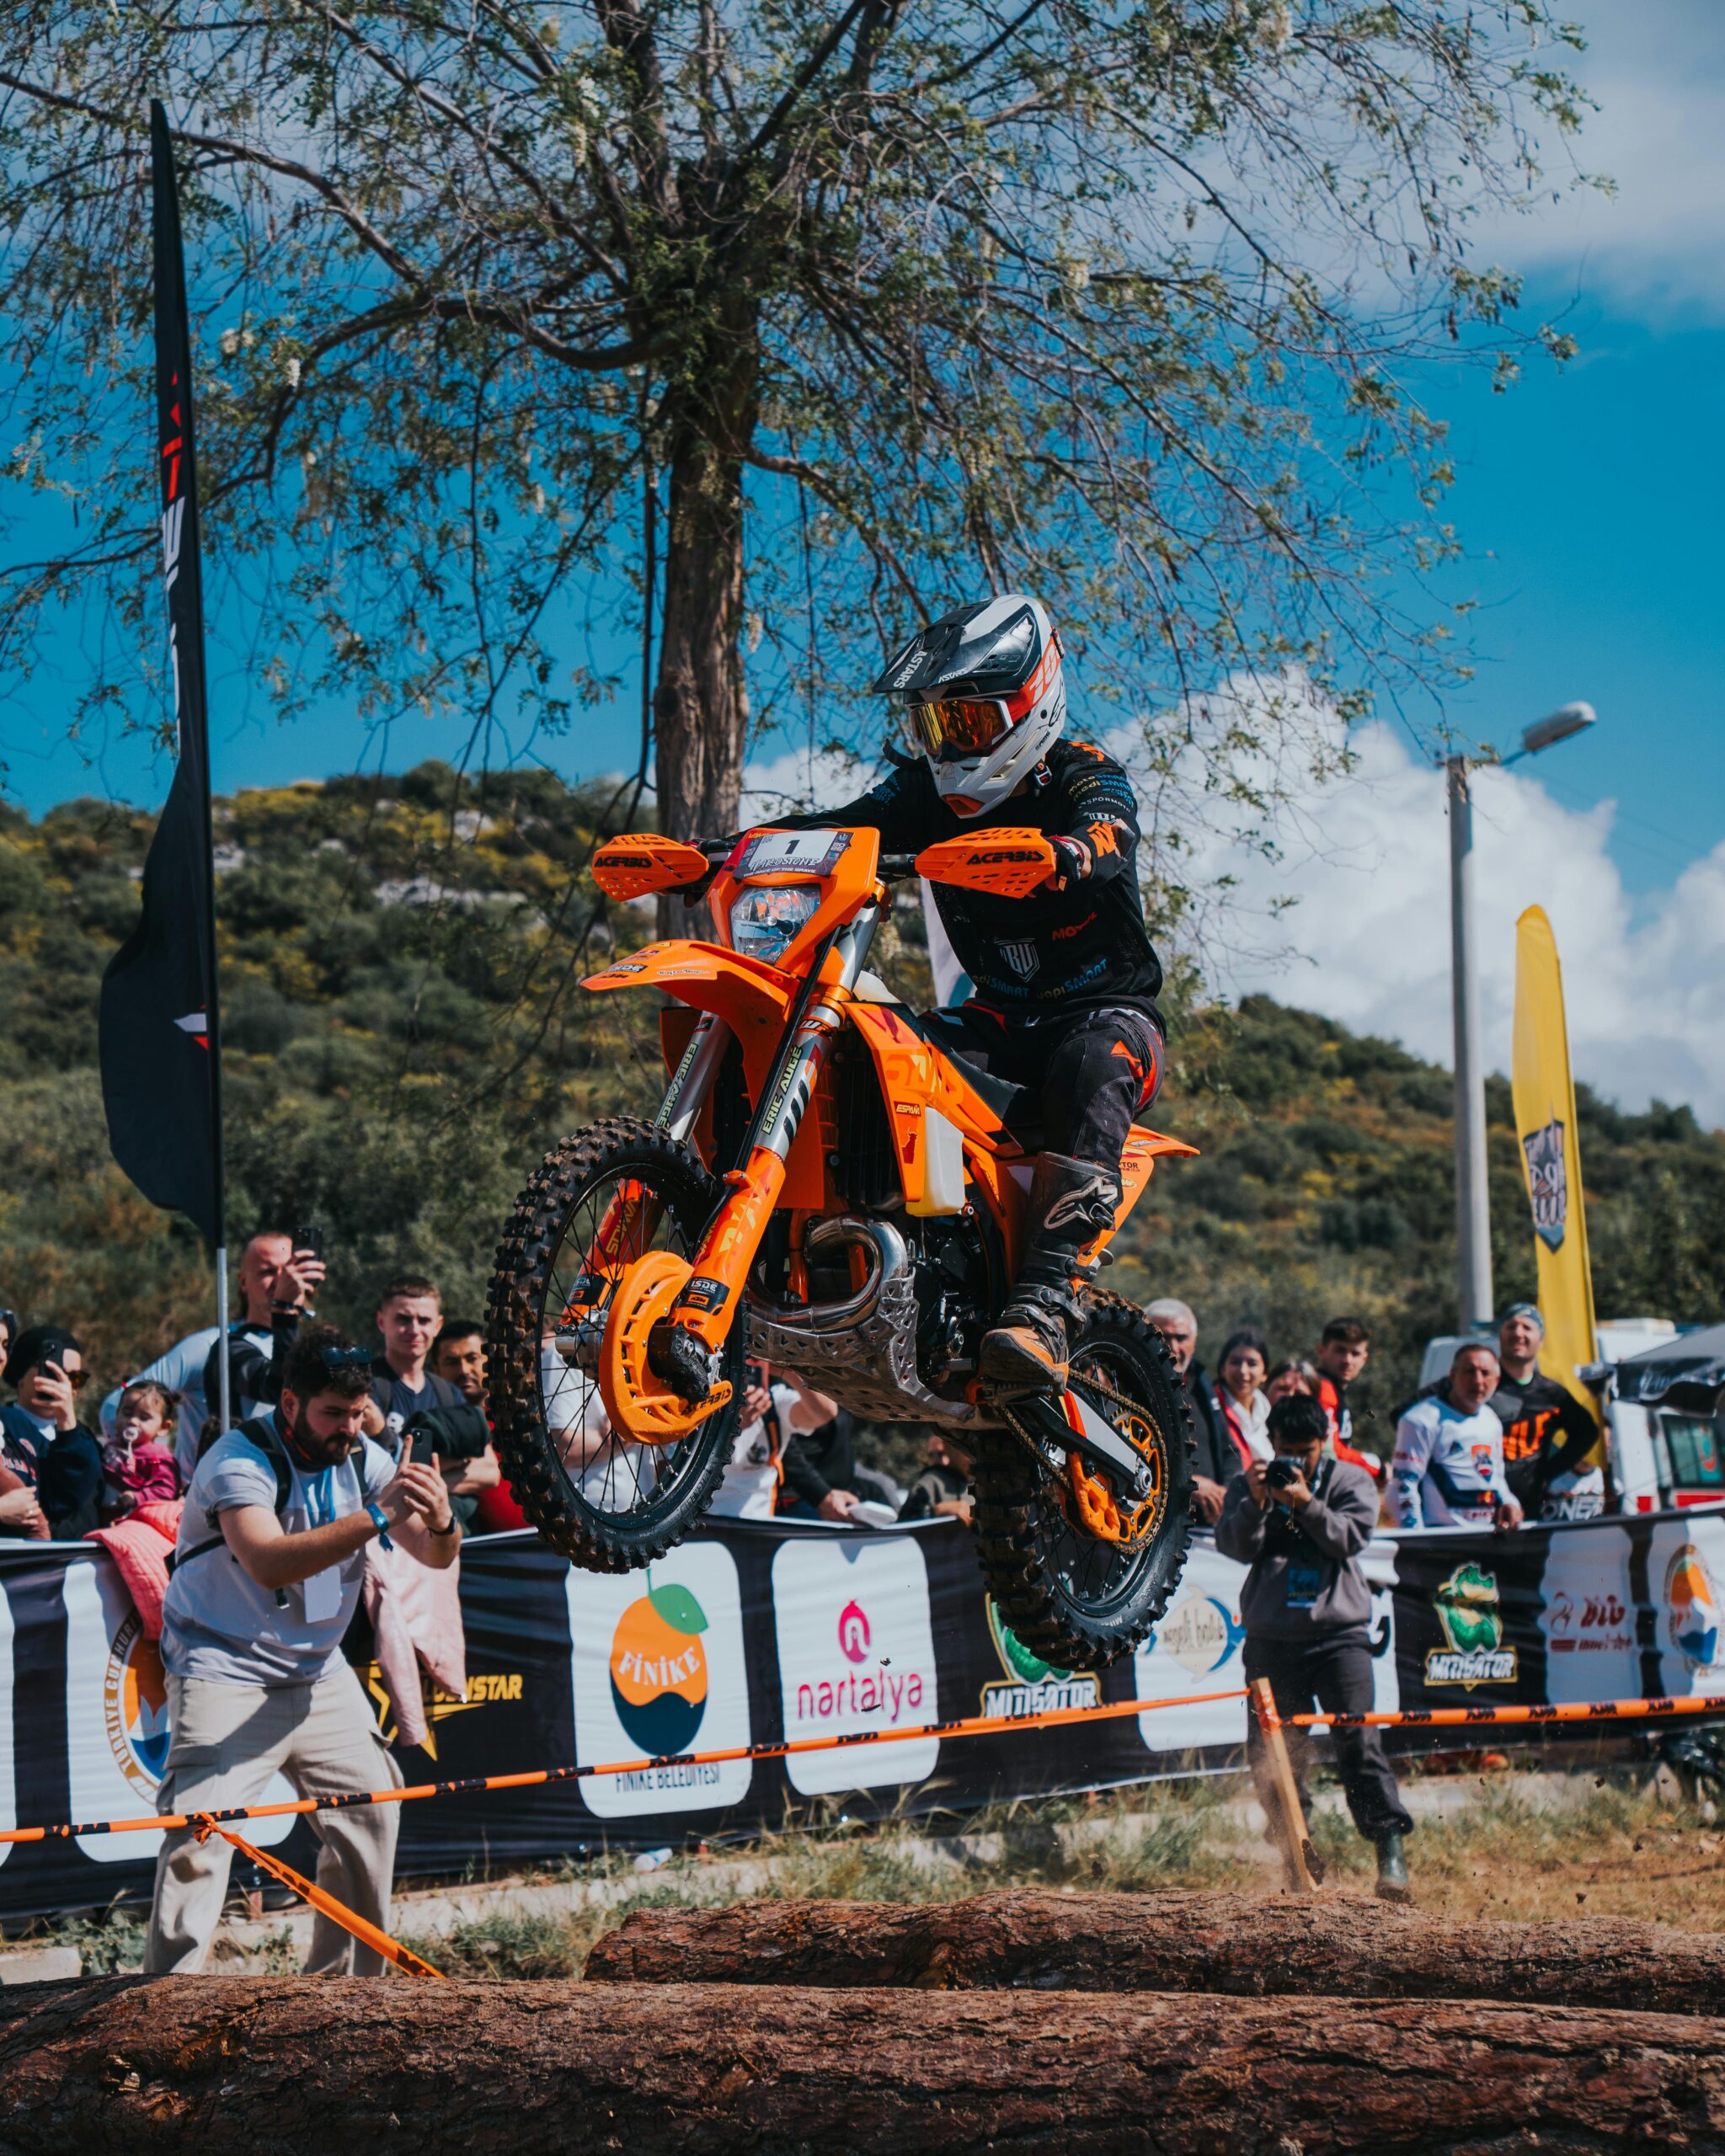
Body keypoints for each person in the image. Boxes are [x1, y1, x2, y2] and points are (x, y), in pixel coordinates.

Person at [771, 594, 1166, 1393]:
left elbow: (1110, 829)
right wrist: (723, 851)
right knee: (871, 1043)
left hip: (1107, 1014)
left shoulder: (1084, 774)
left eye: (971, 724)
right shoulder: (923, 792)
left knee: (1095, 1058)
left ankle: (1044, 1304)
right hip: (996, 1017)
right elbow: (835, 827)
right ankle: (864, 1255)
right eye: (935, 726)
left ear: (1033, 704)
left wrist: (1069, 853)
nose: (951, 746)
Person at [145, 1324, 458, 1977]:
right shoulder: (237, 1460)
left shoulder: (364, 1459)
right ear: (289, 1404)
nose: (348, 1428)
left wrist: (442, 1518)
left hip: (317, 1675)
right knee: (200, 1838)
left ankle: (344, 1998)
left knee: (372, 1813)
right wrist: (376, 1517)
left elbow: (433, 1555)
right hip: (222, 1671)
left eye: (356, 1413)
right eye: (332, 1414)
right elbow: (266, 1561)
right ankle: (162, 2005)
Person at [1216, 1390, 1414, 1901]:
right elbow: (1234, 1548)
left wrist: (1306, 1502)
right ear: (1271, 1443)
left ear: (1323, 1443)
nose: (1295, 1462)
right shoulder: (1250, 1483)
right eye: (1287, 1449)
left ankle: (1390, 1854)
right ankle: (1295, 1859)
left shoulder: (1349, 1480)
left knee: (1359, 1743)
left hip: (1339, 1637)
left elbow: (1350, 1539)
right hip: (1272, 1640)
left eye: (1306, 1451)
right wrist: (1258, 1504)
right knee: (1274, 1755)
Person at [105, 1231, 328, 1483]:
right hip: (214, 1499)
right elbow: (114, 1404)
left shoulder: (313, 1348)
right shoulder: (210, 1345)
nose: (281, 1281)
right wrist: (155, 1470)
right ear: (243, 1282)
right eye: (267, 1272)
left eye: (288, 1270)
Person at [365, 1277, 498, 1527]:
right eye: (403, 1319)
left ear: (437, 1326)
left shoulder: (449, 1394)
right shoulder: (365, 1387)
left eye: (424, 1320)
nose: (415, 1330)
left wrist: (416, 1481)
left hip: (446, 1537)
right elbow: (370, 1476)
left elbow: (489, 1472)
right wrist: (451, 1465)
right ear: (382, 1322)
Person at [1389, 1342, 1524, 1531]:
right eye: (1469, 1371)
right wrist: (1416, 1539)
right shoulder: (1420, 1420)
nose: (1478, 1381)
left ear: (1497, 1379)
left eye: (1485, 1373)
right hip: (1440, 1537)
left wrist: (1510, 1503)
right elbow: (1403, 1485)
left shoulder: (1491, 1420)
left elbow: (1496, 1478)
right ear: (1453, 1375)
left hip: (1486, 1536)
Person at [1490, 1303, 1605, 1520]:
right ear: (1500, 1335)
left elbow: (1587, 1431)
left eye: (1527, 1327)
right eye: (1511, 1326)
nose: (1518, 1333)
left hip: (1528, 1510)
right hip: (1479, 1511)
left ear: (1540, 1340)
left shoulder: (1552, 1394)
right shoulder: (1479, 1383)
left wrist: (1547, 1472)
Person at [1, 1325, 104, 1539]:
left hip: (81, 1563)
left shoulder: (84, 1439)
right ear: (20, 1374)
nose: (65, 1384)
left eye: (76, 1378)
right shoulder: (5, 1425)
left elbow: (72, 1498)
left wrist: (66, 1421)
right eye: (51, 1371)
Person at [1145, 1297, 1236, 1524]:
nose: (1173, 1346)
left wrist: (1228, 1493)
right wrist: (1187, 1485)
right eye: (1163, 1336)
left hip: (1210, 1526)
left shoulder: (1202, 1386)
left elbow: (1229, 1452)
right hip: (1157, 1529)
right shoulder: (1131, 1386)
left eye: (1181, 1338)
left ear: (1194, 1341)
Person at [101, 1380, 182, 1521]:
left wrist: (137, 1497)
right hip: (100, 1517)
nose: (133, 1421)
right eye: (127, 1413)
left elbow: (167, 1490)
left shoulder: (158, 1458)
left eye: (144, 1418)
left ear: (164, 1427)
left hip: (132, 1522)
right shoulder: (111, 1447)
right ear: (117, 1413)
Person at [1313, 1316, 1382, 1481]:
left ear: (1364, 1359)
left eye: (1355, 1353)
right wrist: (1378, 1469)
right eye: (1340, 1351)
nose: (1347, 1360)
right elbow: (1331, 1450)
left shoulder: (1333, 1388)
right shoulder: (1323, 1389)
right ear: (1321, 1350)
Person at [1215, 1327, 1271, 1470]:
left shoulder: (1268, 1413)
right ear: (1223, 1369)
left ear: (1265, 1373)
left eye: (1252, 1364)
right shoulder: (1213, 1409)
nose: (1243, 1371)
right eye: (1235, 1362)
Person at [899, 1430, 975, 1524]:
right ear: (948, 1447)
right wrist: (934, 1512)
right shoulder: (929, 1485)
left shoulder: (984, 1485)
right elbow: (902, 1528)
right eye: (968, 1446)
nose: (973, 1456)